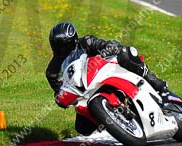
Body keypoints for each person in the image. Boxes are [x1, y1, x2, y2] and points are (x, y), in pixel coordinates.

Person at [46, 22, 174, 135]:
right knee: (82, 128)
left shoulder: (86, 42)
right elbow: (58, 91)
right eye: (57, 46)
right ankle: (112, 122)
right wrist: (61, 98)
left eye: (64, 46)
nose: (61, 50)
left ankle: (158, 85)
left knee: (126, 53)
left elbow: (107, 44)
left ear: (73, 41)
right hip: (84, 92)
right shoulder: (52, 71)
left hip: (105, 72)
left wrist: (108, 49)